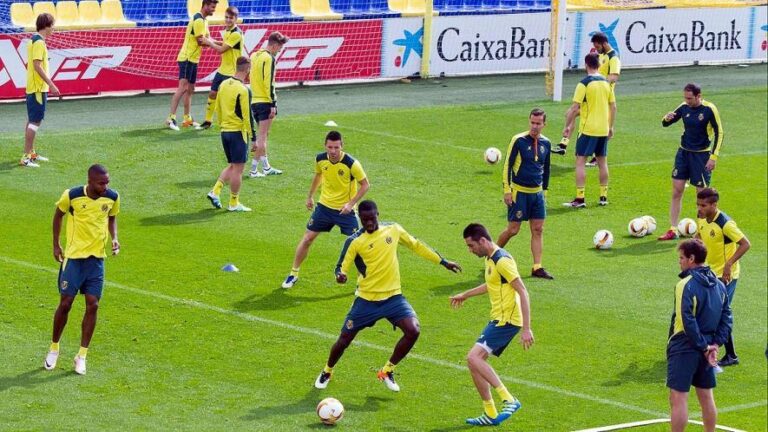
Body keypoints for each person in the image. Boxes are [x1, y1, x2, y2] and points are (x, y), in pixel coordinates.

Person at [314, 200, 461, 392]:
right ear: (359, 218)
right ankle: (327, 370)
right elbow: (341, 267)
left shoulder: (393, 229)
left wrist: (443, 261)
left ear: (378, 214)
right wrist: (340, 276)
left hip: (393, 298)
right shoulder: (354, 241)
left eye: (372, 218)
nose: (369, 223)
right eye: (364, 219)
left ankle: (387, 370)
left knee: (413, 330)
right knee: (343, 341)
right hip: (366, 300)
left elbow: (417, 245)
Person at [450, 223, 533, 426]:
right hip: (498, 318)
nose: (470, 251)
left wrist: (527, 328)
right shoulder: (490, 259)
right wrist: (466, 295)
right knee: (474, 363)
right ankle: (490, 413)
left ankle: (509, 399)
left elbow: (523, 291)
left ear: (483, 241)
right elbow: (491, 284)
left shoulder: (502, 260)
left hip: (508, 320)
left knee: (473, 357)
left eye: (471, 246)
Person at [44, 164, 121, 375]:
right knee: (66, 303)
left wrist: (114, 238)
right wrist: (56, 244)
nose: (105, 186)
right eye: (101, 183)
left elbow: (112, 217)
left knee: (93, 304)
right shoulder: (72, 195)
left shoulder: (112, 197)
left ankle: (82, 355)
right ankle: (54, 348)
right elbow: (58, 215)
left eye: (107, 182)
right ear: (90, 181)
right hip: (74, 259)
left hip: (96, 261)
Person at [281, 131, 369, 289]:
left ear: (342, 146)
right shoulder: (320, 159)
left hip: (345, 211)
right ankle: (293, 274)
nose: (333, 151)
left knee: (357, 245)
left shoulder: (351, 163)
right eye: (330, 147)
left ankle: (362, 282)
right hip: (324, 207)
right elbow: (318, 175)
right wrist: (310, 196)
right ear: (325, 146)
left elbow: (365, 185)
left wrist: (350, 204)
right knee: (307, 238)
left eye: (336, 147)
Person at [667, 239, 731, 432]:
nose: (680, 262)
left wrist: (703, 346)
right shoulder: (719, 285)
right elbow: (726, 317)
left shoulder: (684, 284)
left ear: (691, 259)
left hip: (684, 346)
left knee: (678, 399)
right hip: (708, 347)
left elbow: (687, 321)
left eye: (681, 258)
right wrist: (715, 344)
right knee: (706, 397)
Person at [658, 83, 724, 241]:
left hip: (701, 156)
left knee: (702, 196)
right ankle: (673, 229)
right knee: (677, 190)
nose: (686, 101)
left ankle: (702, 233)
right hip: (683, 154)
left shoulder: (709, 109)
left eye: (689, 98)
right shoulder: (684, 107)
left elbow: (719, 133)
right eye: (685, 98)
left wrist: (713, 157)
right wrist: (666, 118)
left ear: (699, 96)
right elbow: (666, 123)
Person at [695, 188, 750, 367]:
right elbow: (700, 236)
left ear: (714, 205)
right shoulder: (702, 218)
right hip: (710, 273)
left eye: (703, 205)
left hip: (727, 277)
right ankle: (725, 353)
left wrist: (729, 264)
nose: (700, 208)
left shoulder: (725, 223)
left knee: (719, 313)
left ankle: (729, 355)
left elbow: (745, 244)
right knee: (714, 312)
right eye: (698, 204)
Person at [498, 108, 553, 280]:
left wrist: (544, 192)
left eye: (538, 123)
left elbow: (547, 169)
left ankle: (537, 267)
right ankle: (492, 254)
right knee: (513, 230)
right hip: (519, 193)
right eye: (532, 122)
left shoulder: (547, 143)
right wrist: (507, 190)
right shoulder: (518, 140)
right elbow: (507, 165)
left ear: (544, 124)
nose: (535, 126)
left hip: (537, 195)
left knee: (538, 229)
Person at [556, 52, 616, 208]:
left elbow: (574, 108)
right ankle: (603, 197)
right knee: (602, 162)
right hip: (603, 129)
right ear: (599, 65)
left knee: (580, 162)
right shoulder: (606, 83)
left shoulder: (584, 84)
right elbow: (613, 106)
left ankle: (580, 198)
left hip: (588, 129)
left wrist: (567, 127)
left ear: (586, 65)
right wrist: (611, 126)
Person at [206, 56, 254, 212]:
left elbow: (218, 107)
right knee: (238, 169)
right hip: (238, 132)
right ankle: (234, 203)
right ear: (248, 69)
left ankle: (215, 191)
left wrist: (221, 125)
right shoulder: (244, 89)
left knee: (233, 165)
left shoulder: (224, 84)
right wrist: (254, 138)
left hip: (225, 131)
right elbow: (247, 116)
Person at [166, 0, 217, 131]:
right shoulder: (199, 20)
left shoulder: (204, 21)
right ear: (205, 6)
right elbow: (201, 42)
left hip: (194, 60)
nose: (214, 10)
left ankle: (187, 119)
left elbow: (208, 39)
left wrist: (223, 43)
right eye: (212, 7)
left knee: (190, 90)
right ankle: (171, 118)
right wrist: (217, 46)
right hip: (187, 58)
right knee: (182, 88)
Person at [20, 13, 59, 168]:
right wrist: (51, 84)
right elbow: (37, 65)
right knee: (35, 121)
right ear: (46, 26)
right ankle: (25, 157)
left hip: (35, 87)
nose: (54, 29)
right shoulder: (38, 43)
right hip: (37, 88)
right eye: (53, 25)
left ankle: (31, 153)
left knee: (32, 120)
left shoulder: (34, 40)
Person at [248, 31, 289, 177]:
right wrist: (273, 102)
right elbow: (269, 82)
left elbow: (252, 77)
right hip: (265, 101)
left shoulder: (254, 55)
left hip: (254, 100)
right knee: (263, 137)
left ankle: (266, 167)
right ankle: (253, 170)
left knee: (263, 135)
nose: (280, 50)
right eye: (280, 47)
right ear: (275, 45)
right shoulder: (269, 58)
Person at [197, 6, 244, 130]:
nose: (228, 20)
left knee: (228, 99)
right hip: (222, 69)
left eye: (231, 18)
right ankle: (208, 121)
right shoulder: (228, 31)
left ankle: (234, 121)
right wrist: (212, 40)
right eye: (226, 17)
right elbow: (223, 44)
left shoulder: (237, 34)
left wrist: (209, 42)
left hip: (232, 72)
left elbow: (222, 50)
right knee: (212, 93)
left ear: (236, 19)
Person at [586, 31, 621, 168]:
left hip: (606, 95)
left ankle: (597, 156)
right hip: (596, 93)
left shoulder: (613, 57)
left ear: (604, 43)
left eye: (597, 45)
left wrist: (600, 82)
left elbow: (614, 76)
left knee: (603, 126)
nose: (596, 48)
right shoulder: (600, 55)